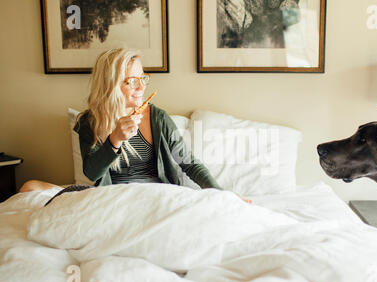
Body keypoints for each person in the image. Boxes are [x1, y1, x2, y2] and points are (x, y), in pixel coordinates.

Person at [20, 48, 251, 202]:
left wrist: (224, 196)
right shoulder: (89, 122)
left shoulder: (157, 118)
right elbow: (91, 172)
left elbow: (190, 164)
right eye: (132, 81)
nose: (141, 87)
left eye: (143, 78)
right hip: (112, 199)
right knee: (30, 187)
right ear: (110, 85)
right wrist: (115, 140)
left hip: (156, 197)